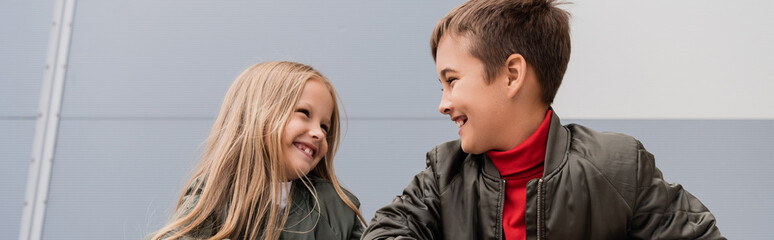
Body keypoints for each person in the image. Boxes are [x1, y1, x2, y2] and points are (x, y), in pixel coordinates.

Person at [362, 0, 724, 239]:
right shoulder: (444, 173)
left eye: (452, 80)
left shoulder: (619, 168)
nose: (444, 103)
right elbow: (384, 231)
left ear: (512, 75)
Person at [149, 61, 365, 240]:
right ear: (257, 116)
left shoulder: (337, 207)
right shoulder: (213, 198)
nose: (318, 133)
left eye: (325, 127)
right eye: (304, 113)